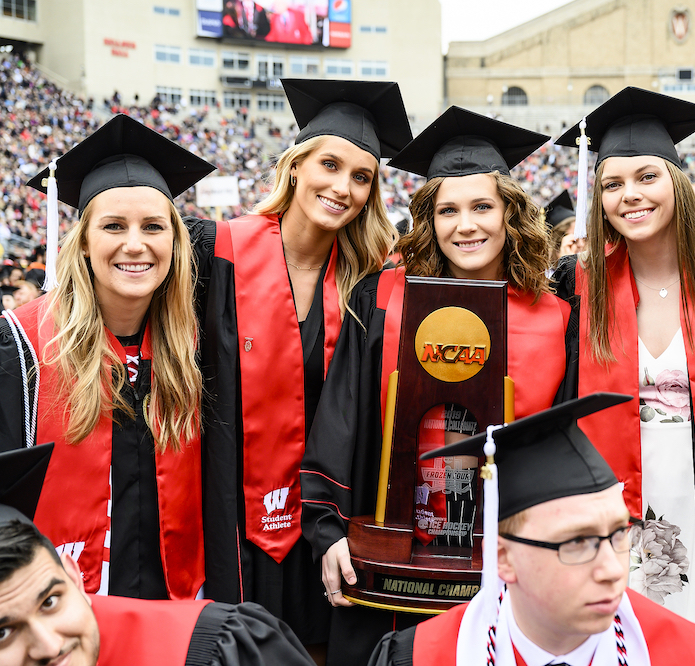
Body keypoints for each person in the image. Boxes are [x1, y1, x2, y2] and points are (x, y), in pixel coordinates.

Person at [300, 106, 573, 665]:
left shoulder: (555, 318)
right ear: (429, 220)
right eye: (448, 210)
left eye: (481, 207)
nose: (465, 225)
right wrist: (327, 534)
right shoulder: (382, 299)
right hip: (385, 572)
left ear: (510, 214)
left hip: (504, 576)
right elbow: (340, 422)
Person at [187, 79, 411, 658]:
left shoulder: (369, 286)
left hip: (324, 527)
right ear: (295, 166)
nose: (342, 187)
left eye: (361, 178)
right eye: (329, 165)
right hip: (229, 519)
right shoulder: (215, 255)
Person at [551, 87, 695, 629]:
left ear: (676, 181)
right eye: (612, 184)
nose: (631, 195)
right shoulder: (580, 287)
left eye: (647, 177)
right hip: (615, 505)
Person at [369, 393, 695, 666]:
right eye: (578, 542)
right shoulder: (423, 658)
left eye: (619, 534)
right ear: (504, 558)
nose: (612, 570)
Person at [0, 114, 214, 601]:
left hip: (175, 608)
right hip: (61, 609)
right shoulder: (21, 348)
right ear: (85, 242)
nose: (134, 244)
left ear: (175, 243)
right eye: (113, 225)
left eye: (153, 226)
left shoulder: (197, 347)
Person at [0, 445, 315, 666]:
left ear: (73, 576)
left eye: (50, 601)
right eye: (3, 632)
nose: (49, 646)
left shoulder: (212, 649)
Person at [543, 189, 582, 267]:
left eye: (585, 239)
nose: (582, 245)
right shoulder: (545, 276)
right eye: (574, 241)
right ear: (556, 247)